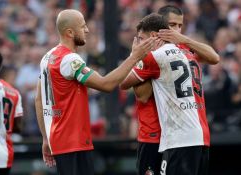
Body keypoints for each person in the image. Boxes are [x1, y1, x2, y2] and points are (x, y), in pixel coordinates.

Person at [35, 9, 157, 175]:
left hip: (60, 140)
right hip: (74, 143)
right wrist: (134, 57)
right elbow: (105, 84)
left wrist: (45, 138)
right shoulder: (69, 60)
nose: (87, 30)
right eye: (82, 26)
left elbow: (39, 100)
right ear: (70, 32)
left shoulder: (47, 57)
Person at [124, 5, 220, 175]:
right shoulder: (165, 55)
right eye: (172, 25)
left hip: (177, 135)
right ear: (160, 27)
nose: (176, 30)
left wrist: (183, 39)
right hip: (156, 134)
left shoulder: (181, 51)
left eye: (180, 26)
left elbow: (214, 58)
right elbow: (143, 96)